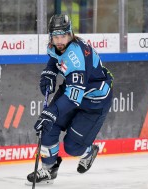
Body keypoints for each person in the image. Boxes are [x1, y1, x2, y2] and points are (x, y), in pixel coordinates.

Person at [27, 14, 114, 184]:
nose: (59, 40)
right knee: (48, 127)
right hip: (73, 90)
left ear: (70, 34)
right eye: (55, 36)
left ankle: (89, 151)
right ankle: (49, 169)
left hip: (94, 101)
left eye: (63, 36)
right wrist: (50, 71)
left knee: (72, 147)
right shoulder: (55, 45)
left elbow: (74, 99)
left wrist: (51, 112)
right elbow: (54, 58)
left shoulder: (76, 57)